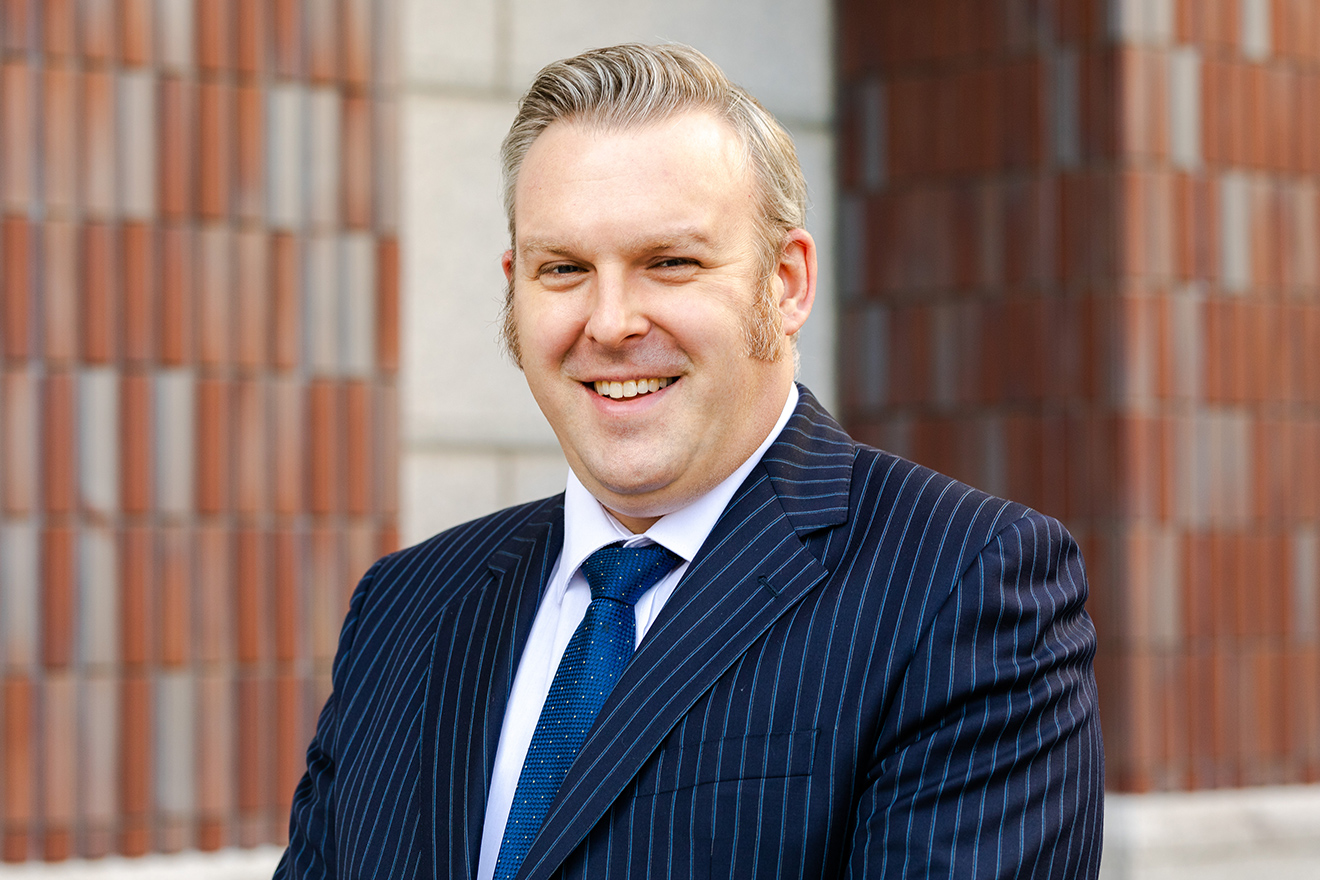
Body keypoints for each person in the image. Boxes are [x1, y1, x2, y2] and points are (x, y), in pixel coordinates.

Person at [277, 43, 1103, 880]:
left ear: (786, 282)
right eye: (563, 269)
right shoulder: (404, 607)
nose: (610, 322)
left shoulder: (963, 584)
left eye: (669, 263)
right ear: (514, 289)